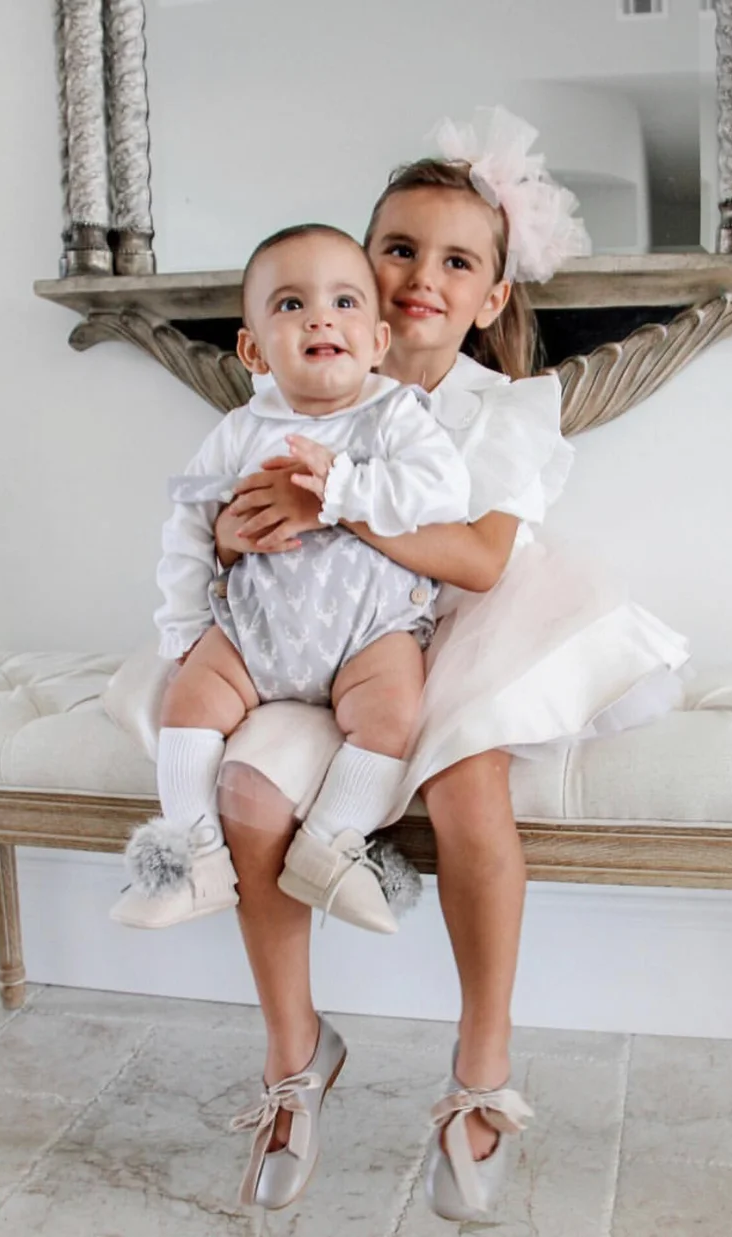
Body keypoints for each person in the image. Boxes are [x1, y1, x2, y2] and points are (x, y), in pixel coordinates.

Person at [103, 107, 688, 1219]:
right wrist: (232, 532)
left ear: (491, 298)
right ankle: (295, 1058)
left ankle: (481, 1074)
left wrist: (337, 504)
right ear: (360, 266)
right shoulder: (289, 386)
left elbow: (479, 558)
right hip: (298, 630)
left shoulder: (503, 411)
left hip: (457, 625)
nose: (423, 277)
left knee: (467, 781)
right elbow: (219, 516)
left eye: (457, 262)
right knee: (247, 791)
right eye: (400, 250)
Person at [110, 223, 471, 938]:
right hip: (253, 631)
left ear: (378, 341)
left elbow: (444, 493)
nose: (319, 319)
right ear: (253, 351)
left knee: (393, 715)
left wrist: (343, 487)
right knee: (188, 701)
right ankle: (194, 858)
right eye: (291, 304)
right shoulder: (240, 430)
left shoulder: (395, 416)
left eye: (344, 302)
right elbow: (188, 523)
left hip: (369, 634)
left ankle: (330, 846)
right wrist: (185, 628)